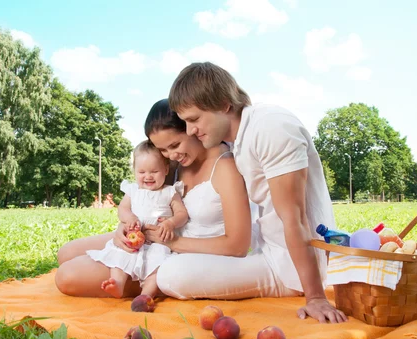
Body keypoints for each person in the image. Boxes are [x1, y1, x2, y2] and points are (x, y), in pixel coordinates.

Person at [162, 62, 347, 323]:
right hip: (266, 251)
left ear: (224, 104)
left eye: (194, 119)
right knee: (169, 265)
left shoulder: (271, 128)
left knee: (172, 275)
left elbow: (294, 218)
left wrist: (315, 297)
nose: (190, 130)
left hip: (288, 269)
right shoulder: (240, 138)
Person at [54, 99, 252, 298]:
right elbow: (147, 199)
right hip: (149, 238)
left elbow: (237, 246)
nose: (171, 155)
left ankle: (149, 282)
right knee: (66, 253)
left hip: (176, 254)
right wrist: (123, 229)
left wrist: (173, 243)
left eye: (175, 145)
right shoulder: (177, 163)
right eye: (164, 150)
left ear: (191, 128)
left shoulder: (225, 167)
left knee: (67, 277)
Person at [85, 140, 188, 299]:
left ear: (166, 169)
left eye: (154, 171)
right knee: (120, 256)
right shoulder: (133, 190)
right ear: (134, 171)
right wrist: (129, 218)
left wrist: (170, 222)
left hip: (158, 243)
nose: (148, 176)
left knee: (157, 265)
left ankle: (146, 294)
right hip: (132, 241)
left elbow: (182, 214)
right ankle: (117, 284)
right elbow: (122, 209)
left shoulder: (170, 192)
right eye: (142, 172)